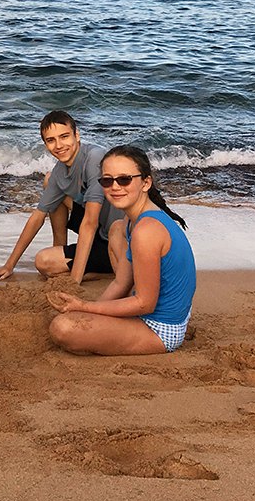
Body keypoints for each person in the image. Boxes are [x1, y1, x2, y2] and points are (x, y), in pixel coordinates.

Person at [47, 145, 197, 355]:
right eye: (107, 180)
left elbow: (145, 304)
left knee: (62, 328)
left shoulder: (146, 231)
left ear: (145, 183)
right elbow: (122, 281)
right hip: (155, 313)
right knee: (116, 229)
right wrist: (88, 311)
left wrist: (85, 307)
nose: (115, 186)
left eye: (124, 179)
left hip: (161, 329)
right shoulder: (130, 220)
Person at [0, 111, 124, 284]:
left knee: (43, 261)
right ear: (45, 145)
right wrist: (9, 265)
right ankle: (60, 249)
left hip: (120, 240)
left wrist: (73, 281)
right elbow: (37, 217)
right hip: (100, 231)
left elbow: (90, 223)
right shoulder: (60, 171)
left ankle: (110, 272)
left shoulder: (94, 158)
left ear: (77, 135)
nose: (59, 145)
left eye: (64, 136)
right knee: (50, 180)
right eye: (51, 140)